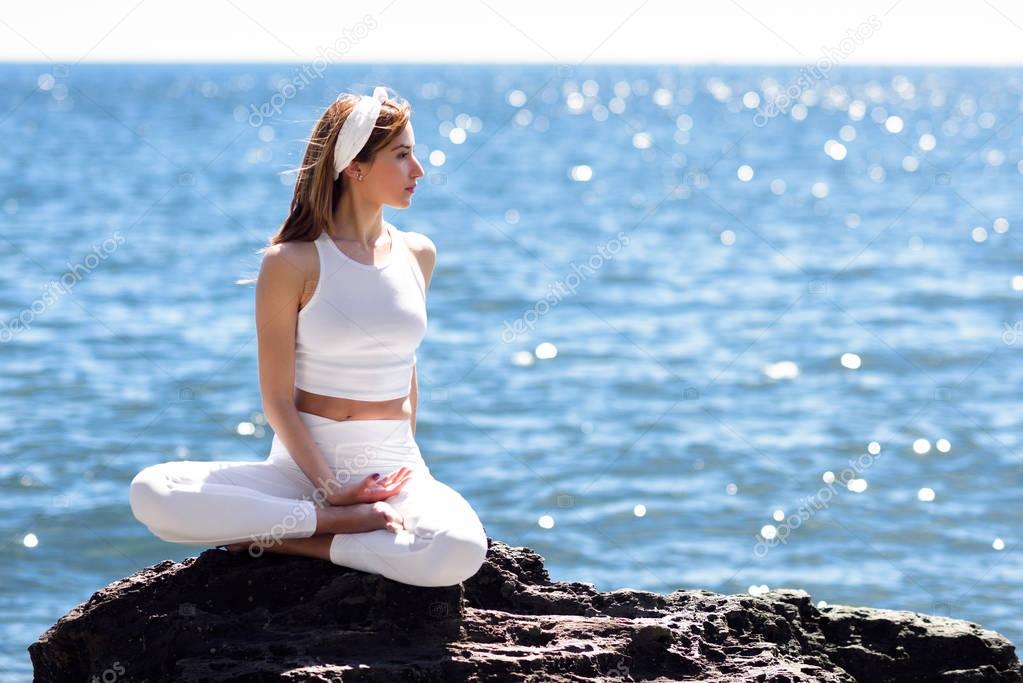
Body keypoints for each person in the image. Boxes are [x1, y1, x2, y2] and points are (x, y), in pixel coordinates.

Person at [128, 85, 489, 588]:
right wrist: (333, 495)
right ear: (354, 166)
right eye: (403, 155)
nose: (419, 170)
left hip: (394, 470)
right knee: (152, 492)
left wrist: (402, 466)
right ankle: (334, 527)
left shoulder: (418, 254)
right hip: (300, 470)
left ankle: (287, 538)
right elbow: (276, 399)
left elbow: (407, 371)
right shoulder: (292, 262)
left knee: (460, 551)